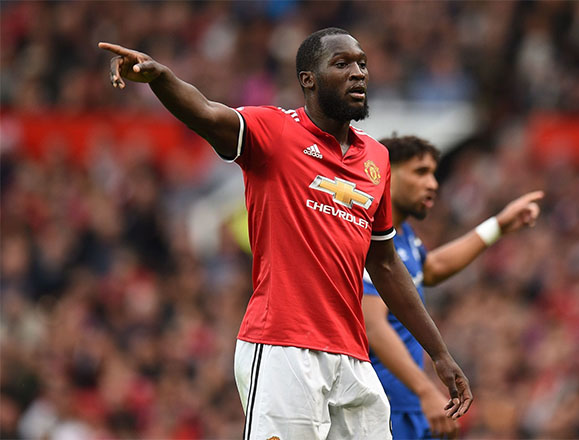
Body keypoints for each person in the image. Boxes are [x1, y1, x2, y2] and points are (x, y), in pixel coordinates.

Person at [99, 28, 472, 439]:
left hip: (352, 356)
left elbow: (384, 263)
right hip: (283, 346)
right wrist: (161, 78)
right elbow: (206, 112)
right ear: (308, 79)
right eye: (342, 64)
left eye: (362, 64)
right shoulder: (275, 131)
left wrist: (439, 353)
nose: (358, 73)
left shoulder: (376, 159)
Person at [362, 135, 543, 439]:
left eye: (434, 174)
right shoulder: (370, 238)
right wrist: (425, 390)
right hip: (382, 405)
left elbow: (431, 268)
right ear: (386, 174)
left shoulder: (402, 235)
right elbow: (373, 326)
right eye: (420, 172)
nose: (432, 183)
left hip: (404, 404)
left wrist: (497, 226)